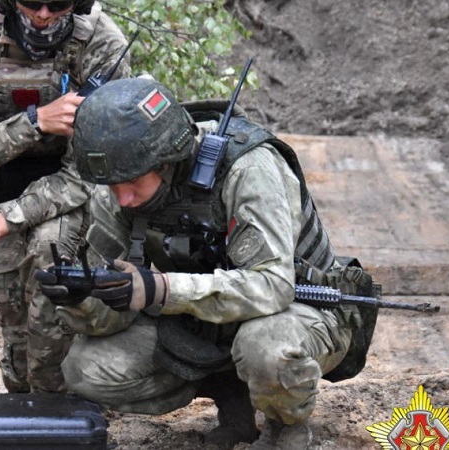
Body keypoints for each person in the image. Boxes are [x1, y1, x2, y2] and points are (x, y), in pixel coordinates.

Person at [37, 77, 375, 448]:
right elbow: (111, 317)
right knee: (86, 369)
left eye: (132, 182)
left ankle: (284, 425)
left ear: (166, 161)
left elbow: (274, 286)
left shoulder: (248, 168)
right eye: (113, 185)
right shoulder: (117, 186)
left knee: (266, 349)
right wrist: (83, 297)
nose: (124, 199)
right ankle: (232, 395)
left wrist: (161, 288)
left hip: (302, 307)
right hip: (202, 320)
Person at [0, 0, 131, 394]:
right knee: (17, 339)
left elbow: (87, 174)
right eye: (31, 2)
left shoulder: (102, 43)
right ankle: (27, 400)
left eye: (57, 4)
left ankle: (56, 404)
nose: (42, 14)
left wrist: (0, 224)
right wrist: (37, 121)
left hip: (71, 193)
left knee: (50, 257)